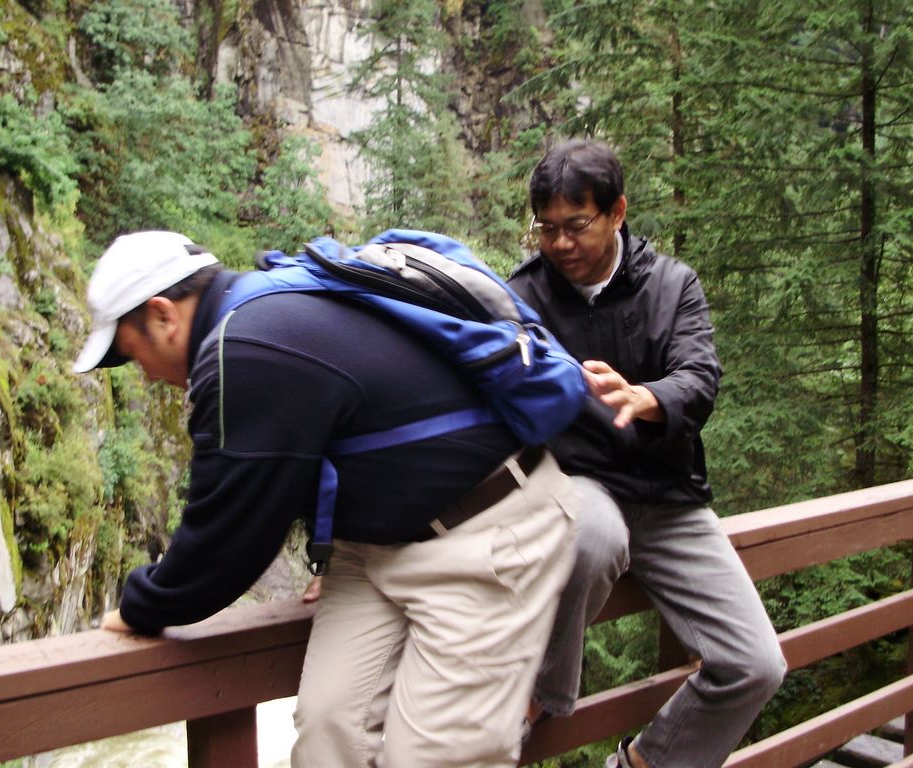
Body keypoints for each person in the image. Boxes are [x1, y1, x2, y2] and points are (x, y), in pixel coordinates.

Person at [73, 230, 578, 768]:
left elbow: (229, 536)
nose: (148, 375)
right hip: (375, 546)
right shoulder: (272, 304)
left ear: (162, 315)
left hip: (484, 533)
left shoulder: (248, 348)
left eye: (134, 355)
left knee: (437, 758)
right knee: (328, 737)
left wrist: (144, 606)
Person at [508, 140, 786, 768]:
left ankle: (642, 763)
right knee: (594, 538)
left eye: (576, 224)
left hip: (668, 496)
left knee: (755, 665)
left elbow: (699, 377)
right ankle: (536, 697)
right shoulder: (522, 299)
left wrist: (648, 397)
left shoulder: (671, 284)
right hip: (578, 483)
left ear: (617, 213)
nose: (560, 243)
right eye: (546, 228)